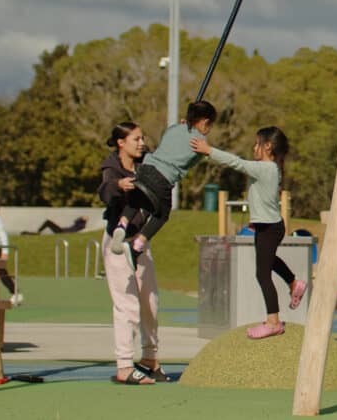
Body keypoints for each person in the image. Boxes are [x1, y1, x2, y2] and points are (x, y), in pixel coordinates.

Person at [190, 126, 306, 340]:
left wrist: (209, 150)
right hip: (267, 226)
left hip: (269, 228)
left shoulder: (266, 168)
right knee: (268, 263)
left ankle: (273, 322)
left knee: (262, 274)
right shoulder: (270, 168)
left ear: (268, 146)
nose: (254, 147)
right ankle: (293, 283)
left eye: (257, 143)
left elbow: (236, 163)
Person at [109, 100, 217, 266]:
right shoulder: (200, 143)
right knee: (162, 214)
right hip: (163, 180)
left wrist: (182, 128)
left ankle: (121, 225)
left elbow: (170, 141)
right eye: (209, 126)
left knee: (135, 200)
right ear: (204, 122)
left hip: (146, 168)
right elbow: (190, 162)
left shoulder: (173, 128)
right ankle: (136, 246)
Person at [98, 122, 164, 385]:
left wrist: (183, 132)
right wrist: (118, 185)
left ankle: (150, 359)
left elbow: (168, 158)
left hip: (141, 240)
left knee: (150, 301)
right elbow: (105, 190)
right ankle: (124, 366)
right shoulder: (111, 167)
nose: (141, 143)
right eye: (135, 139)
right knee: (127, 304)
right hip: (117, 241)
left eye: (142, 138)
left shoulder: (146, 163)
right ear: (120, 142)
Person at [21, 216, 88, 235]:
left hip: (63, 232)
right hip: (62, 230)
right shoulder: (78, 223)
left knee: (48, 222)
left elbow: (77, 222)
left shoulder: (81, 226)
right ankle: (36, 232)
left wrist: (83, 219)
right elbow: (75, 221)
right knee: (49, 222)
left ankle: (38, 232)